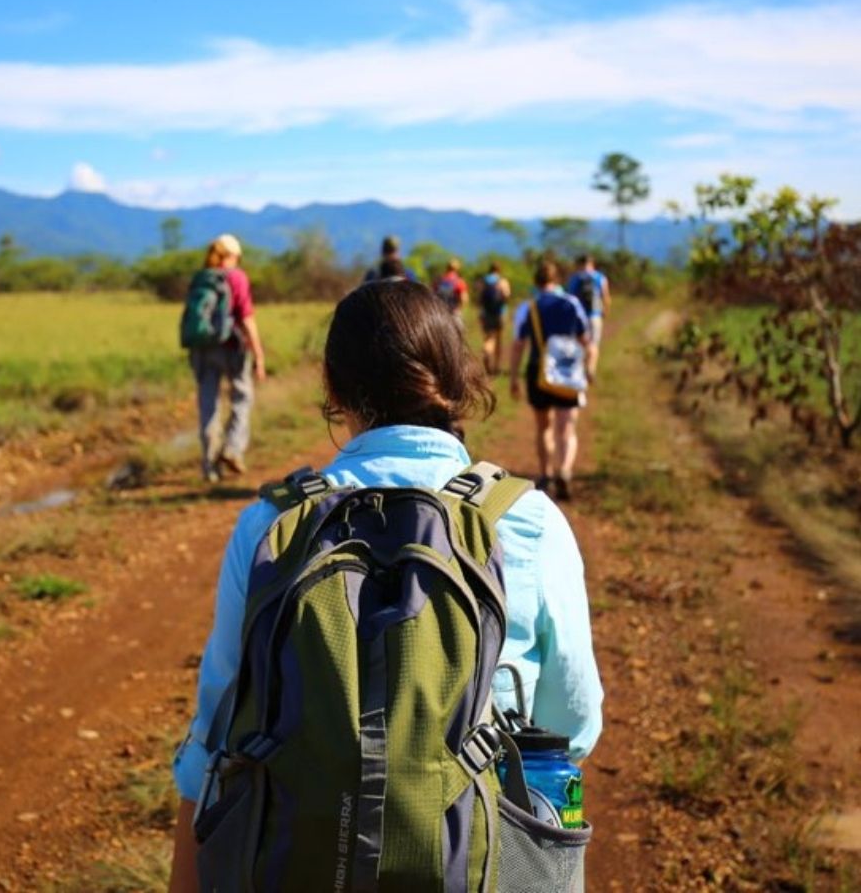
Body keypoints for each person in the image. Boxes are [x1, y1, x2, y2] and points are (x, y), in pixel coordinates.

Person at [169, 279, 603, 891]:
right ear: (457, 377)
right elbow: (573, 721)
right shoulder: (527, 521)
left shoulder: (272, 524)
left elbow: (215, 734)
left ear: (333, 387)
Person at [186, 234, 265, 483]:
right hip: (232, 347)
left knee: (208, 404)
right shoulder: (236, 277)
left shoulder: (201, 277)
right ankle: (232, 448)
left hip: (202, 349)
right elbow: (246, 318)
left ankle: (209, 466)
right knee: (241, 397)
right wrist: (259, 354)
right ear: (232, 256)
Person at [510, 259, 590, 501]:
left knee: (543, 427)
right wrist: (586, 368)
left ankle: (545, 474)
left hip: (538, 372)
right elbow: (585, 340)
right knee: (566, 427)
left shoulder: (528, 307)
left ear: (536, 281)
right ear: (556, 280)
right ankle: (564, 470)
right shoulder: (572, 303)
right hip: (566, 372)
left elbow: (518, 345)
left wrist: (514, 377)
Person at [566, 253, 610, 381]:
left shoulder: (574, 278)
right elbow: (605, 296)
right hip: (595, 315)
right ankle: (590, 370)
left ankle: (578, 369)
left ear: (579, 264)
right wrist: (605, 311)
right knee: (594, 343)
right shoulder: (600, 278)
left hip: (577, 317)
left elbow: (569, 298)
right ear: (592, 263)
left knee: (579, 343)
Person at [477, 260, 511, 375]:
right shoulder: (502, 281)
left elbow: (480, 299)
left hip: (486, 313)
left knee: (488, 337)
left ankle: (486, 350)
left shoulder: (484, 281)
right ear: (498, 270)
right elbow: (507, 295)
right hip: (499, 313)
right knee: (498, 339)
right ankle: (496, 366)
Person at [433, 256, 469, 324]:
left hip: (440, 314)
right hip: (454, 312)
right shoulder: (459, 281)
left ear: (447, 267)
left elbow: (432, 295)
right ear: (457, 269)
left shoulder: (439, 280)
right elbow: (464, 299)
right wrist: (459, 309)